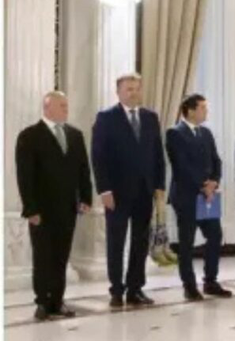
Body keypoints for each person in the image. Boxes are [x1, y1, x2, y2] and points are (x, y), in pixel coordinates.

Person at [16, 92, 92, 320]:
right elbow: (25, 176)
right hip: (41, 210)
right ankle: (42, 302)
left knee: (61, 256)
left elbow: (83, 170)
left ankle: (57, 301)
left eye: (67, 105)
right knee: (43, 256)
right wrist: (30, 209)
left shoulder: (75, 135)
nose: (66, 109)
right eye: (61, 105)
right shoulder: (30, 136)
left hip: (68, 208)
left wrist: (86, 198)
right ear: (47, 107)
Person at [92, 73, 166, 308]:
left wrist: (159, 186)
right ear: (119, 92)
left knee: (140, 242)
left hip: (144, 191)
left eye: (137, 88)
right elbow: (98, 156)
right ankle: (116, 290)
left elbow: (158, 154)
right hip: (117, 193)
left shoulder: (150, 118)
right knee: (116, 241)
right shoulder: (106, 118)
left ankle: (135, 288)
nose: (134, 93)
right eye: (129, 89)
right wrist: (104, 190)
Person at [165, 94, 231, 301]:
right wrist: (203, 185)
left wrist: (214, 182)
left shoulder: (206, 132)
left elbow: (216, 161)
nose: (206, 111)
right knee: (187, 242)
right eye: (202, 107)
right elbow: (181, 165)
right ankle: (189, 286)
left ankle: (210, 281)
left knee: (215, 236)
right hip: (186, 196)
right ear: (190, 110)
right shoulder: (175, 133)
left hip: (207, 197)